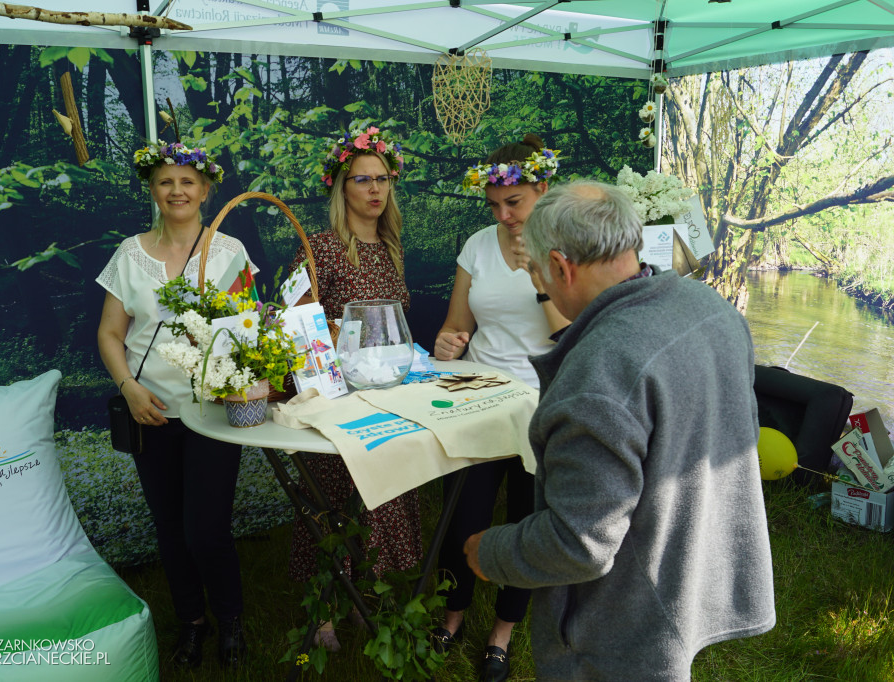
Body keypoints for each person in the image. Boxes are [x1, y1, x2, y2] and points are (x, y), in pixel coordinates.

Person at [464, 180, 776, 681]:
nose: (542, 284)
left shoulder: (599, 371)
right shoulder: (712, 308)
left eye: (540, 275)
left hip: (622, 626)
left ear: (562, 267)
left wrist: (491, 551)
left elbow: (578, 541)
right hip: (699, 574)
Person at [96, 141, 256, 670]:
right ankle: (192, 622)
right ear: (152, 190)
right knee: (169, 529)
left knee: (205, 529)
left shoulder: (230, 253)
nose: (177, 191)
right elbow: (110, 333)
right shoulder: (129, 253)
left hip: (211, 413)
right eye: (166, 181)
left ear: (206, 190)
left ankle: (230, 618)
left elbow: (251, 331)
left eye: (188, 181)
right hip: (152, 413)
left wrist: (238, 381)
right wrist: (129, 388)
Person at [432, 134, 570, 682]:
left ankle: (504, 631)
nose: (504, 215)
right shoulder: (477, 245)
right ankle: (454, 613)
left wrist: (538, 277)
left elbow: (574, 340)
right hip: (478, 394)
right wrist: (448, 342)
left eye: (513, 202)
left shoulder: (570, 249)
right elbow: (456, 326)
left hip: (543, 402)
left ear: (543, 188)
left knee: (526, 522)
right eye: (494, 205)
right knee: (462, 516)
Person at [286, 125, 421, 650]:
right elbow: (293, 322)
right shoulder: (319, 249)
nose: (375, 189)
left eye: (383, 179)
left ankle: (367, 595)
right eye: (362, 179)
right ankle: (323, 610)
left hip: (384, 396)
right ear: (342, 188)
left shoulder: (390, 247)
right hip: (338, 398)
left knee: (379, 495)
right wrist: (334, 337)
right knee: (332, 496)